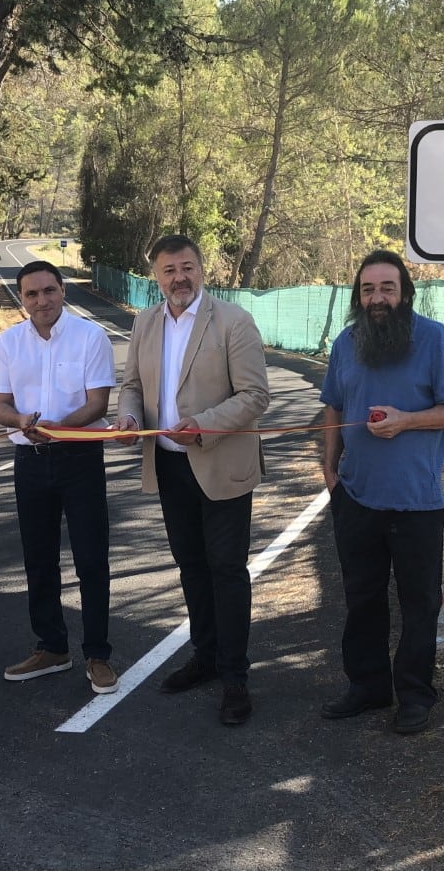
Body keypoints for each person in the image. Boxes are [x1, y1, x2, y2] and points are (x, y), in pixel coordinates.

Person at [114, 235, 270, 726]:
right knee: (191, 567)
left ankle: (234, 679)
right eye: (167, 270)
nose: (178, 278)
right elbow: (131, 388)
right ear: (155, 277)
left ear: (201, 269)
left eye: (186, 267)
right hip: (168, 467)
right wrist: (128, 418)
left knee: (226, 570)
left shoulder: (233, 321)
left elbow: (254, 395)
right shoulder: (145, 322)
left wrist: (205, 425)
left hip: (220, 464)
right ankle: (204, 658)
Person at [320, 250, 444, 735]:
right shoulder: (346, 343)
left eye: (387, 288)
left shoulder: (434, 340)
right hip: (357, 497)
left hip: (415, 502)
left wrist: (407, 421)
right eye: (368, 290)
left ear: (405, 293)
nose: (377, 298)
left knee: (418, 602)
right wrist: (329, 468)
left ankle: (413, 695)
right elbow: (332, 407)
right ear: (357, 297)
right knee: (361, 597)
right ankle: (367, 686)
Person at [0, 260, 119, 695]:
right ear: (22, 299)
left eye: (49, 291)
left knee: (90, 559)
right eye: (31, 294)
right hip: (29, 461)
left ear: (62, 291)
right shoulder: (9, 342)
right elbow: (0, 406)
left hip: (80, 457)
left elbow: (98, 403)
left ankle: (98, 654)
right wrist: (21, 420)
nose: (41, 301)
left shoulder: (91, 337)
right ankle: (52, 647)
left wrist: (59, 426)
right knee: (38, 559)